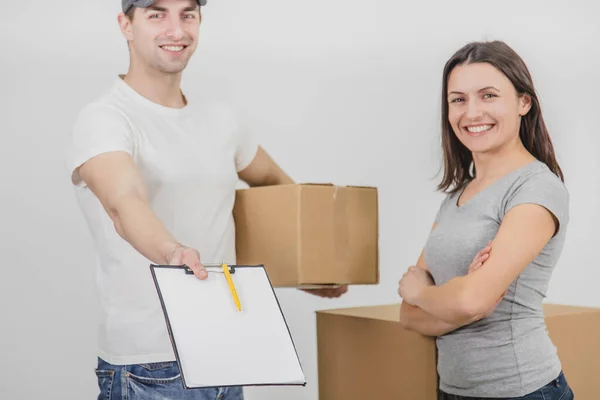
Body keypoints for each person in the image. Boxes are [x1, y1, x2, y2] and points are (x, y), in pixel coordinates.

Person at [66, 1, 347, 399]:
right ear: (125, 25)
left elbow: (281, 190)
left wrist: (312, 266)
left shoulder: (222, 120)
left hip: (223, 349)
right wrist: (173, 252)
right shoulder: (105, 119)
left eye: (188, 14)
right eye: (156, 14)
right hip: (150, 364)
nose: (176, 30)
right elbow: (123, 203)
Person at [397, 40, 575, 399]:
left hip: (523, 390)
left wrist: (422, 292)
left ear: (524, 102)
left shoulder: (537, 188)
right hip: (453, 390)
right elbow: (409, 316)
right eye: (458, 99)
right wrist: (459, 302)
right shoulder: (457, 195)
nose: (472, 112)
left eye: (489, 95)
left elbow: (468, 300)